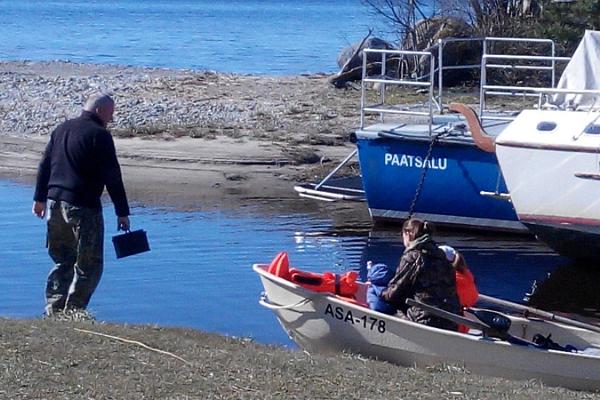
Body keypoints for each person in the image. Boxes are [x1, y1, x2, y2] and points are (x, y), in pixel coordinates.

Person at [32, 93, 131, 316]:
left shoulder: (62, 129)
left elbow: (44, 166)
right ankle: (74, 310)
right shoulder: (100, 135)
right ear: (99, 111)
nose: (112, 119)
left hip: (55, 203)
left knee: (62, 260)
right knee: (90, 264)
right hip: (83, 207)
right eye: (111, 114)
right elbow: (113, 177)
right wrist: (122, 212)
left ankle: (54, 309)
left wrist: (38, 199)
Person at [381, 218, 461, 330]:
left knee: (383, 303)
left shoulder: (412, 256)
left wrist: (380, 292)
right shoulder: (442, 257)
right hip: (451, 320)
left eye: (402, 234)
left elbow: (394, 294)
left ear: (408, 233)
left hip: (423, 319)